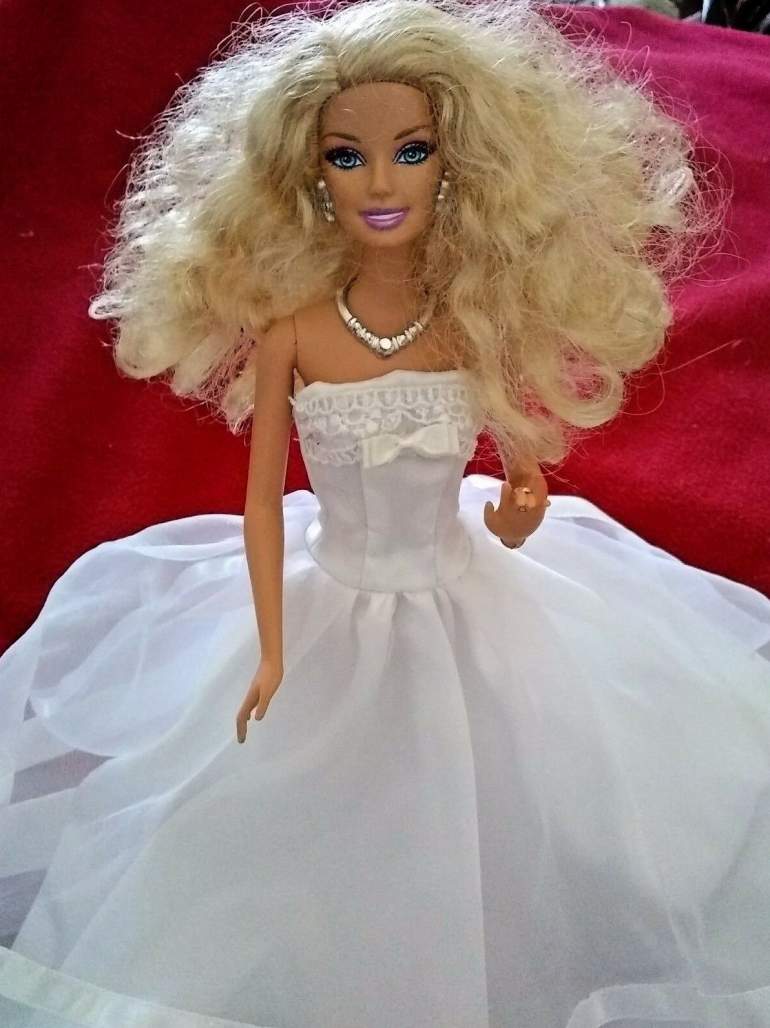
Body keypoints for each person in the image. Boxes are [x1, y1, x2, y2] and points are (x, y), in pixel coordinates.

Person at [1, 0, 769, 1025]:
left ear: (459, 166)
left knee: (537, 789)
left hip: (464, 580)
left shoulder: (465, 319)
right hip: (333, 591)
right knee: (281, 824)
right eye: (345, 155)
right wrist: (271, 648)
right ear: (304, 174)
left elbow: (517, 455)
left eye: (410, 151)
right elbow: (262, 501)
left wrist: (523, 500)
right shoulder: (293, 333)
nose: (378, 181)